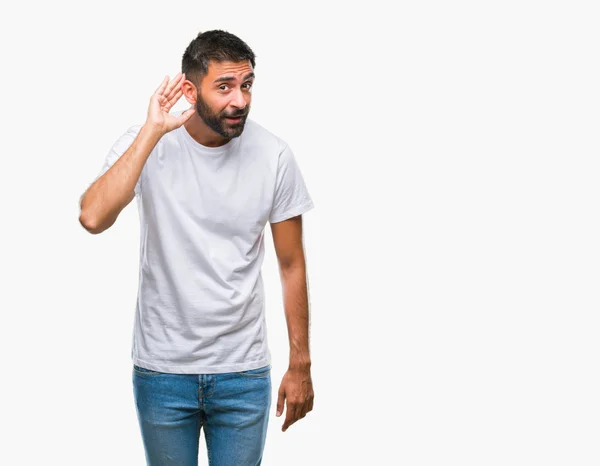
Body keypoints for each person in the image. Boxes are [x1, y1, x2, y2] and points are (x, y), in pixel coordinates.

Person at [78, 29, 315, 466]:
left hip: (242, 371)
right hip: (163, 371)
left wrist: (300, 363)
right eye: (224, 86)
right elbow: (93, 217)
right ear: (190, 89)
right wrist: (151, 131)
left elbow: (291, 263)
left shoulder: (274, 155)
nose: (239, 100)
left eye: (246, 85)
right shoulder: (148, 144)